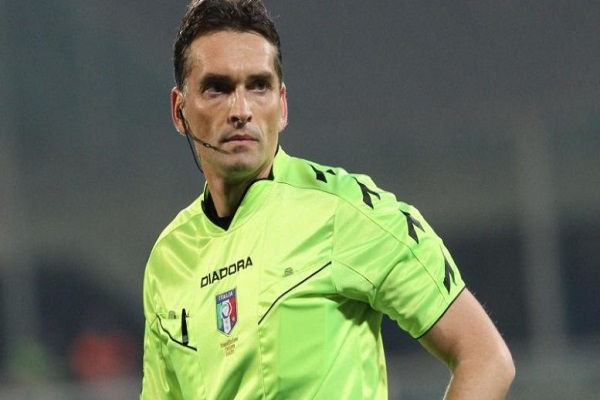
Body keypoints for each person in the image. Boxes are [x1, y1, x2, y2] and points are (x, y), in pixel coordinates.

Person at [140, 0, 515, 399]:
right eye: (218, 88)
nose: (241, 110)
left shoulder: (343, 208)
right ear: (180, 111)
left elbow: (486, 358)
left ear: (282, 105)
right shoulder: (169, 258)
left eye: (259, 86)